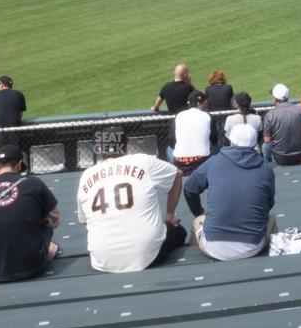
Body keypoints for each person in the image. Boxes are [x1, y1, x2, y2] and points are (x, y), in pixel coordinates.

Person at [77, 127, 185, 273]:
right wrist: (170, 215)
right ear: (127, 147)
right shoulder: (143, 161)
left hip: (103, 259)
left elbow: (84, 221)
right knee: (179, 231)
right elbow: (177, 174)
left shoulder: (86, 175)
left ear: (101, 149)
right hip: (146, 255)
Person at [0, 145, 60, 283]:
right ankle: (49, 249)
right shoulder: (33, 183)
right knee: (45, 225)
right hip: (33, 266)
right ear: (20, 165)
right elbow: (54, 221)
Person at [183, 124, 276, 260]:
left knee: (198, 221)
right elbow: (268, 204)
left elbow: (189, 189)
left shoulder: (214, 162)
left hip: (213, 247)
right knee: (271, 217)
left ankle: (198, 268)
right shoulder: (266, 169)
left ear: (232, 142)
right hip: (253, 247)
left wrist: (199, 212)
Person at [0, 76, 27, 180]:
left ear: (1, 84)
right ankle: (14, 182)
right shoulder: (19, 94)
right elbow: (20, 115)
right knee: (13, 158)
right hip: (14, 131)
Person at [152, 64, 193, 163]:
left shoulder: (166, 87)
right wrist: (190, 83)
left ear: (174, 73)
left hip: (172, 123)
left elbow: (157, 103)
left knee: (172, 146)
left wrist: (155, 107)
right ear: (185, 75)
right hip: (186, 123)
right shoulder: (187, 87)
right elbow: (196, 99)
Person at [262, 84, 301, 166]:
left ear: (275, 98)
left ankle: (267, 168)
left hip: (280, 157)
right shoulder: (300, 110)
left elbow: (267, 140)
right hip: (300, 154)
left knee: (264, 147)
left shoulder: (270, 115)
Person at [173, 91, 212, 176]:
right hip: (200, 160)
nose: (207, 104)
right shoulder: (207, 116)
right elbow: (214, 137)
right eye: (205, 102)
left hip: (179, 160)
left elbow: (172, 138)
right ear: (198, 103)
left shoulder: (179, 115)